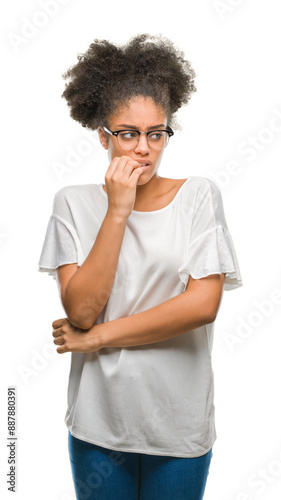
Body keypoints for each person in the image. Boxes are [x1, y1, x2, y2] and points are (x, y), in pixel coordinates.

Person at [38, 33, 243, 500]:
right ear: (102, 135)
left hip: (178, 425)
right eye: (128, 133)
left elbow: (201, 305)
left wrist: (94, 340)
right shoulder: (71, 204)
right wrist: (117, 211)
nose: (144, 148)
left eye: (156, 133)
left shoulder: (198, 195)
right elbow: (83, 310)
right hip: (98, 424)